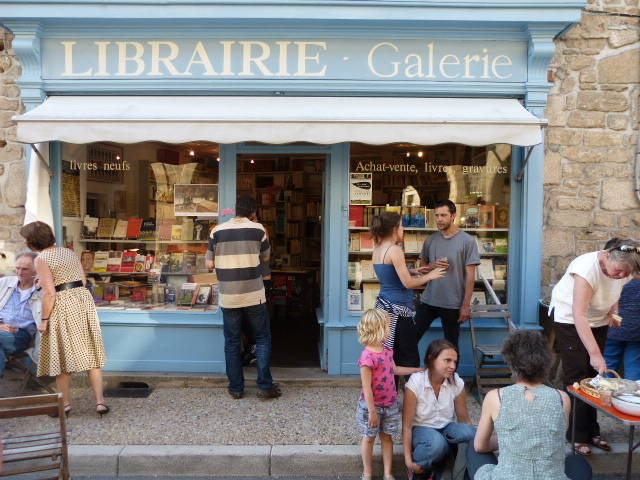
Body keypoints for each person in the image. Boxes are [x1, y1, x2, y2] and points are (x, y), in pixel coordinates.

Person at [550, 238, 640, 456]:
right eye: (618, 271)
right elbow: (579, 314)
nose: (620, 276)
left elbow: (615, 290)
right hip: (569, 319)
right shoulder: (585, 268)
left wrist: (613, 312)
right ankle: (576, 436)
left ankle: (591, 431)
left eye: (625, 274)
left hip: (598, 319)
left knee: (595, 379)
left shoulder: (621, 268)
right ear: (607, 255)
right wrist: (595, 354)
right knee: (577, 376)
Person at [466, 330, 592, 480]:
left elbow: (480, 446)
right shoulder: (562, 398)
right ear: (546, 362)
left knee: (472, 449)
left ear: (511, 363)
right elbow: (553, 440)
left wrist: (509, 440)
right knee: (577, 462)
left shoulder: (495, 397)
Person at [19, 221, 109, 416]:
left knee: (62, 358)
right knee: (91, 355)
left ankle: (65, 405)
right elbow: (82, 280)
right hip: (82, 301)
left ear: (32, 241)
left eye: (26, 239)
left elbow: (50, 294)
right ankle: (100, 403)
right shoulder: (67, 251)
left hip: (63, 306)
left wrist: (43, 320)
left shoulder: (41, 258)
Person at [206, 196, 280, 400]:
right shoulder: (259, 229)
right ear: (253, 212)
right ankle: (265, 386)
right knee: (262, 338)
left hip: (229, 296)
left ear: (235, 211)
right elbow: (265, 257)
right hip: (254, 294)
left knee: (231, 341)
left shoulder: (217, 231)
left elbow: (209, 264)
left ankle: (236, 388)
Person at [370, 212, 445, 370]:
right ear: (394, 229)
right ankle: (412, 393)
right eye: (401, 225)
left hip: (384, 310)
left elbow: (389, 274)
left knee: (391, 357)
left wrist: (414, 270)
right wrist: (431, 275)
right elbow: (408, 284)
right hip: (399, 313)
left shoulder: (377, 249)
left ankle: (392, 392)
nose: (403, 229)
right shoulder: (395, 250)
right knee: (410, 358)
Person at [356, 309, 424, 480]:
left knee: (387, 438)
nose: (390, 331)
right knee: (369, 438)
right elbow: (366, 388)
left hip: (390, 405)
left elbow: (394, 369)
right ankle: (367, 472)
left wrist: (416, 370)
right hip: (372, 407)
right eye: (387, 327)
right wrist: (372, 411)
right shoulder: (367, 357)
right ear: (378, 328)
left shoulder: (387, 350)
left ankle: (388, 473)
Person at [403, 339, 476, 480]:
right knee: (437, 444)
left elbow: (464, 419)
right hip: (422, 429)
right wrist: (407, 460)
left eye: (455, 362)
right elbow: (406, 426)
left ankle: (463, 473)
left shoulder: (456, 381)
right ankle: (422, 470)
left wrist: (471, 436)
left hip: (447, 428)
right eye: (447, 360)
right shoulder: (416, 381)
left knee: (472, 433)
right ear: (431, 358)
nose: (452, 366)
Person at [415, 200, 480, 350]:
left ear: (453, 216)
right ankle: (407, 373)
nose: (439, 219)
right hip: (428, 300)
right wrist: (434, 265)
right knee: (412, 337)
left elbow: (470, 277)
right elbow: (421, 270)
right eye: (437, 215)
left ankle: (450, 374)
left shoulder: (467, 241)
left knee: (451, 345)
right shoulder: (430, 240)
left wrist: (465, 305)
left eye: (443, 215)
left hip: (453, 303)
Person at [603, 238, 640, 380]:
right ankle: (630, 400)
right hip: (636, 331)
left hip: (614, 328)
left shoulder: (616, 275)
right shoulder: (624, 274)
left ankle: (604, 397)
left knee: (608, 364)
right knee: (634, 367)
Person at [0, 252, 42, 377]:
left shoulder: (42, 291)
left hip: (20, 335)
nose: (19, 272)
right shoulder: (4, 283)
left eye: (25, 269)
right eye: (17, 268)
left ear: (36, 270)